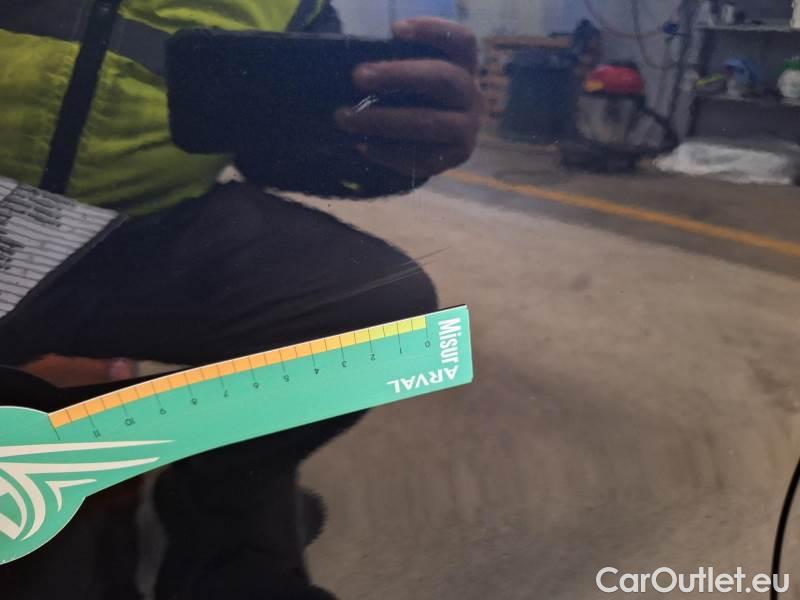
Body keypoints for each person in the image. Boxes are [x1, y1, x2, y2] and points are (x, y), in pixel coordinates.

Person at [0, 2, 481, 598]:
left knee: (378, 319)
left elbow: (283, 146)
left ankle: (213, 515)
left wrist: (389, 146)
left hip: (140, 233)